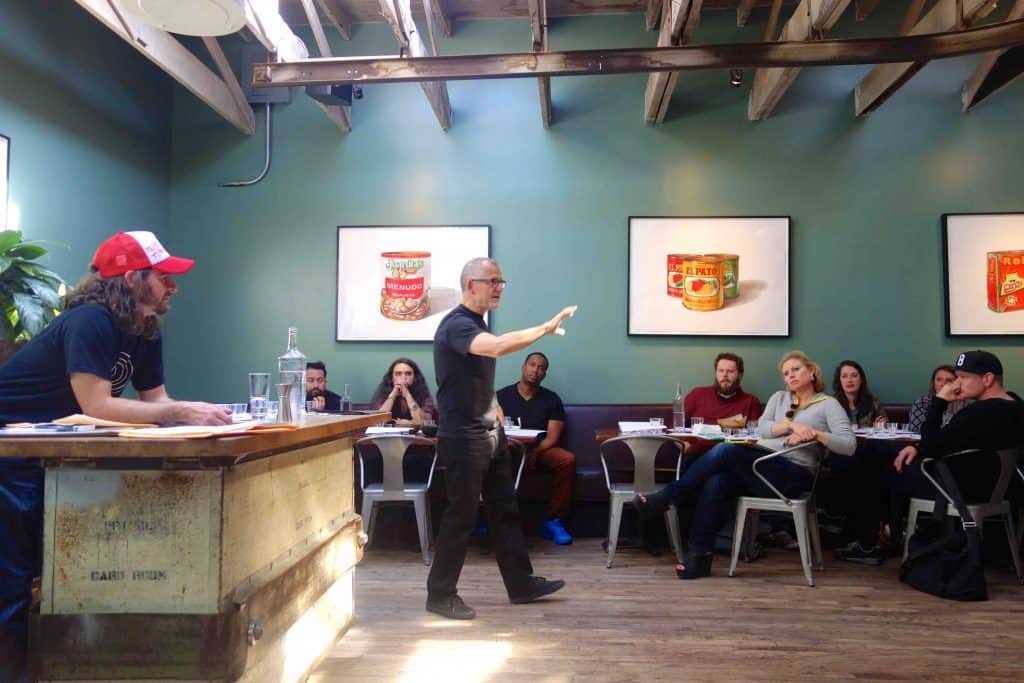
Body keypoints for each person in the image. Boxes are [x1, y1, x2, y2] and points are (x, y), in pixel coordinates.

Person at [0, 230, 230, 676]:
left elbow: (156, 400)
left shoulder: (145, 329)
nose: (173, 287)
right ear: (131, 278)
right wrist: (176, 412)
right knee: (14, 576)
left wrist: (205, 414)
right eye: (164, 277)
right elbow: (98, 405)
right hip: (11, 448)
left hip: (53, 452)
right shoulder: (91, 321)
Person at [426, 257, 576, 620]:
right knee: (460, 516)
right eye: (491, 281)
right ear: (469, 285)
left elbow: (476, 379)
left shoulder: (476, 324)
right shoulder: (458, 325)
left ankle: (521, 584)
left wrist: (494, 408)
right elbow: (495, 348)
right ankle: (440, 594)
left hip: (488, 433)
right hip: (462, 436)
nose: (498, 288)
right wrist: (544, 328)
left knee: (505, 509)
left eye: (501, 282)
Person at [635, 350, 855, 579]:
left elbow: (849, 445)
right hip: (762, 466)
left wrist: (816, 434)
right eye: (786, 373)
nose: (791, 375)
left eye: (796, 370)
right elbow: (761, 427)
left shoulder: (828, 404)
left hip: (793, 474)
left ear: (811, 371)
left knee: (726, 449)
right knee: (717, 481)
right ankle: (699, 559)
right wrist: (791, 427)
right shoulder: (779, 398)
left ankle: (667, 497)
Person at [834, 350, 1023, 566]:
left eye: (963, 377)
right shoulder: (1014, 406)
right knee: (878, 450)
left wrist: (940, 401)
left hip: (952, 490)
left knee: (872, 463)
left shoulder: (979, 412)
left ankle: (869, 544)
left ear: (987, 379)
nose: (956, 384)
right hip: (987, 486)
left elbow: (933, 441)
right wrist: (918, 447)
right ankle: (889, 534)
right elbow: (945, 442)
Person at [496, 352, 576, 545]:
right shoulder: (502, 396)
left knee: (567, 459)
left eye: (541, 367)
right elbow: (492, 429)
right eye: (532, 365)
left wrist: (535, 453)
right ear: (523, 367)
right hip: (509, 449)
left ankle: (553, 520)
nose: (536, 370)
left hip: (540, 450)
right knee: (489, 458)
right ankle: (493, 520)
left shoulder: (551, 399)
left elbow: (553, 436)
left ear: (544, 374)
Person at [684, 352, 763, 428]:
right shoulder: (697, 395)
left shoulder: (751, 402)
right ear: (716, 373)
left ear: (740, 375)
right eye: (721, 370)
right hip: (696, 442)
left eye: (730, 371)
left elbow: (756, 436)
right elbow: (675, 428)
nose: (724, 375)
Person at [370, 357, 438, 427]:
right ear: (392, 378)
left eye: (408, 374)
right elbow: (377, 422)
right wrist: (393, 394)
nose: (403, 377)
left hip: (415, 436)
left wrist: (407, 395)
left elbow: (423, 422)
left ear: (414, 378)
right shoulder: (383, 393)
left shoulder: (424, 394)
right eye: (398, 374)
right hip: (388, 436)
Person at [907, 364, 971, 433]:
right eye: (939, 380)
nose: (943, 384)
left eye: (949, 380)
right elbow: (916, 429)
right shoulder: (922, 403)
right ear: (934, 383)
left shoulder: (967, 404)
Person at [832, 360, 887, 428]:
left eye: (854, 376)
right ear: (839, 381)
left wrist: (881, 425)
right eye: (844, 376)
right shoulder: (831, 403)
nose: (849, 380)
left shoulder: (874, 403)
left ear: (861, 379)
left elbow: (885, 428)